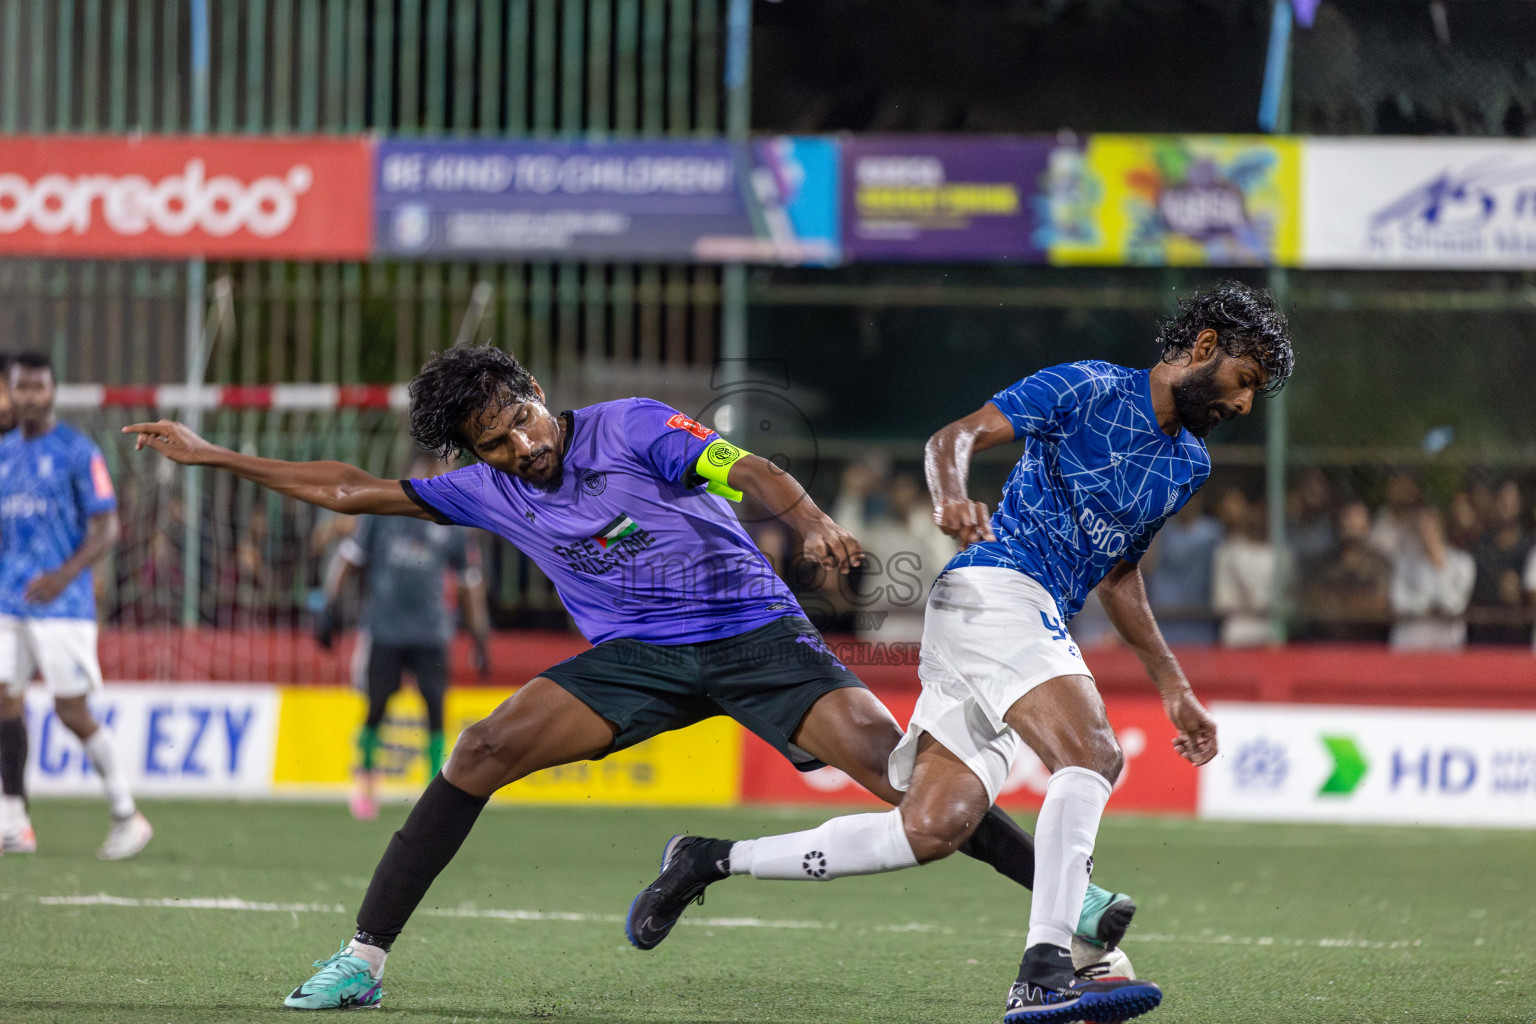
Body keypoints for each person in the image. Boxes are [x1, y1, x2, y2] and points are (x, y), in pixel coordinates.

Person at [123, 344, 1118, 1012]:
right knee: (480, 749)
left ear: (538, 395)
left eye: (525, 416)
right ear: (472, 454)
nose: (526, 442)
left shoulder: (634, 424)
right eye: (499, 441)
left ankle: (1065, 897)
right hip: (636, 656)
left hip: (754, 633)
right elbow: (349, 488)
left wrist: (810, 519)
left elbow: (751, 470)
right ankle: (364, 958)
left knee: (908, 787)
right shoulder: (481, 490)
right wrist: (214, 456)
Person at [625, 281, 1294, 1024]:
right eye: (1246, 382)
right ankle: (1050, 967)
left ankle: (708, 858)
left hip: (1025, 620)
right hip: (993, 590)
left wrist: (1172, 684)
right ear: (1205, 349)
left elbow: (1119, 573)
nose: (1243, 405)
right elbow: (953, 438)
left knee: (933, 827)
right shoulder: (1089, 387)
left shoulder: (1188, 465)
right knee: (1094, 756)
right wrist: (949, 494)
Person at [0, 352, 152, 860]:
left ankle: (127, 813)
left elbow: (106, 526)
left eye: (37, 387)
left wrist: (64, 575)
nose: (28, 396)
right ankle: (14, 820)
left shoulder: (76, 451)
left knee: (70, 710)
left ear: (52, 391)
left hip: (62, 604)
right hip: (10, 601)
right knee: (3, 698)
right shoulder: (4, 453)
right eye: (20, 387)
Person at [316, 454, 493, 819]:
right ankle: (365, 779)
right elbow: (349, 561)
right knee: (377, 705)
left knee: (435, 709)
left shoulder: (453, 523)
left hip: (431, 632)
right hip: (384, 629)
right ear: (412, 477)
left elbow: (469, 585)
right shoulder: (382, 517)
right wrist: (329, 609)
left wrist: (480, 637)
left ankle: (434, 790)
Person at [1139, 492, 1223, 646]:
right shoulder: (1160, 528)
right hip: (1164, 621)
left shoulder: (1213, 532)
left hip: (1200, 621)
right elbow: (1146, 567)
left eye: (1192, 497)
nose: (1187, 503)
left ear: (1200, 499)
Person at [1303, 498, 1392, 643]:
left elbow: (1380, 605)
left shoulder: (1381, 564)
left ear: (1367, 524)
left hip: (1371, 646)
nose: (1351, 522)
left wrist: (1339, 603)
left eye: (1357, 516)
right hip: (1330, 645)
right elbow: (1315, 603)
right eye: (1346, 516)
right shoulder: (1322, 565)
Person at [1389, 505, 1475, 650]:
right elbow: (1398, 603)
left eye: (1430, 526)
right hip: (1410, 646)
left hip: (1447, 646)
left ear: (1441, 529)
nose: (1426, 532)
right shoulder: (1403, 564)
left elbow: (1454, 605)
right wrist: (1425, 603)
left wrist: (1438, 566)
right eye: (1421, 527)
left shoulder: (1462, 562)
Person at [1210, 491, 1278, 647]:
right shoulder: (1227, 551)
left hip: (1271, 632)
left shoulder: (1281, 554)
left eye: (1263, 513)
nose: (1258, 518)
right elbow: (1221, 602)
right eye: (1254, 512)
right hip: (1237, 632)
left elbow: (1286, 599)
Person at [1466, 481, 1528, 645]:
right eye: (1503, 501)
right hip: (1483, 639)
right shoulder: (1480, 547)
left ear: (1520, 504)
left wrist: (1518, 596)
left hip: (1520, 641)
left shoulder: (1529, 548)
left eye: (1512, 501)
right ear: (1495, 503)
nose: (1508, 506)